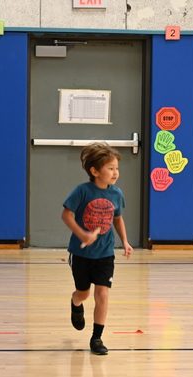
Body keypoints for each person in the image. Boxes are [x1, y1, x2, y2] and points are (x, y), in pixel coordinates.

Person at [61, 143, 133, 355]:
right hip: (81, 253)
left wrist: (125, 241)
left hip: (105, 253)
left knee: (102, 294)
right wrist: (82, 234)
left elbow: (117, 218)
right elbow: (66, 215)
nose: (115, 172)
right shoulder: (82, 191)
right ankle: (75, 302)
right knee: (83, 293)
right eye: (110, 168)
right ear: (94, 171)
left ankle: (97, 338)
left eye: (117, 168)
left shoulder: (117, 194)